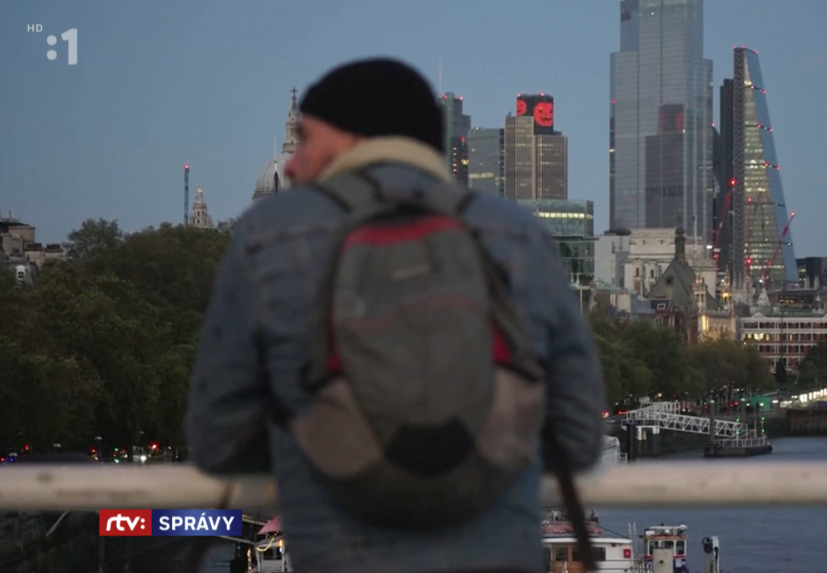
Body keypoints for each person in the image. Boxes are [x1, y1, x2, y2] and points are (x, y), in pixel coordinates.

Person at [185, 57, 606, 573]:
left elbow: (214, 437)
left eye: (306, 140)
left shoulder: (269, 237)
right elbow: (581, 436)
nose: (290, 165)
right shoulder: (516, 233)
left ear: (349, 142)